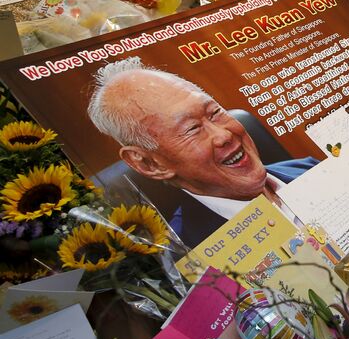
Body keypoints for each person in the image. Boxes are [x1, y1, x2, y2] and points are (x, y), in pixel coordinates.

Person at [87, 58, 318, 244]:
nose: (224, 135)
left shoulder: (311, 169)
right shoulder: (196, 261)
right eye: (192, 129)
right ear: (150, 164)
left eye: (214, 112)